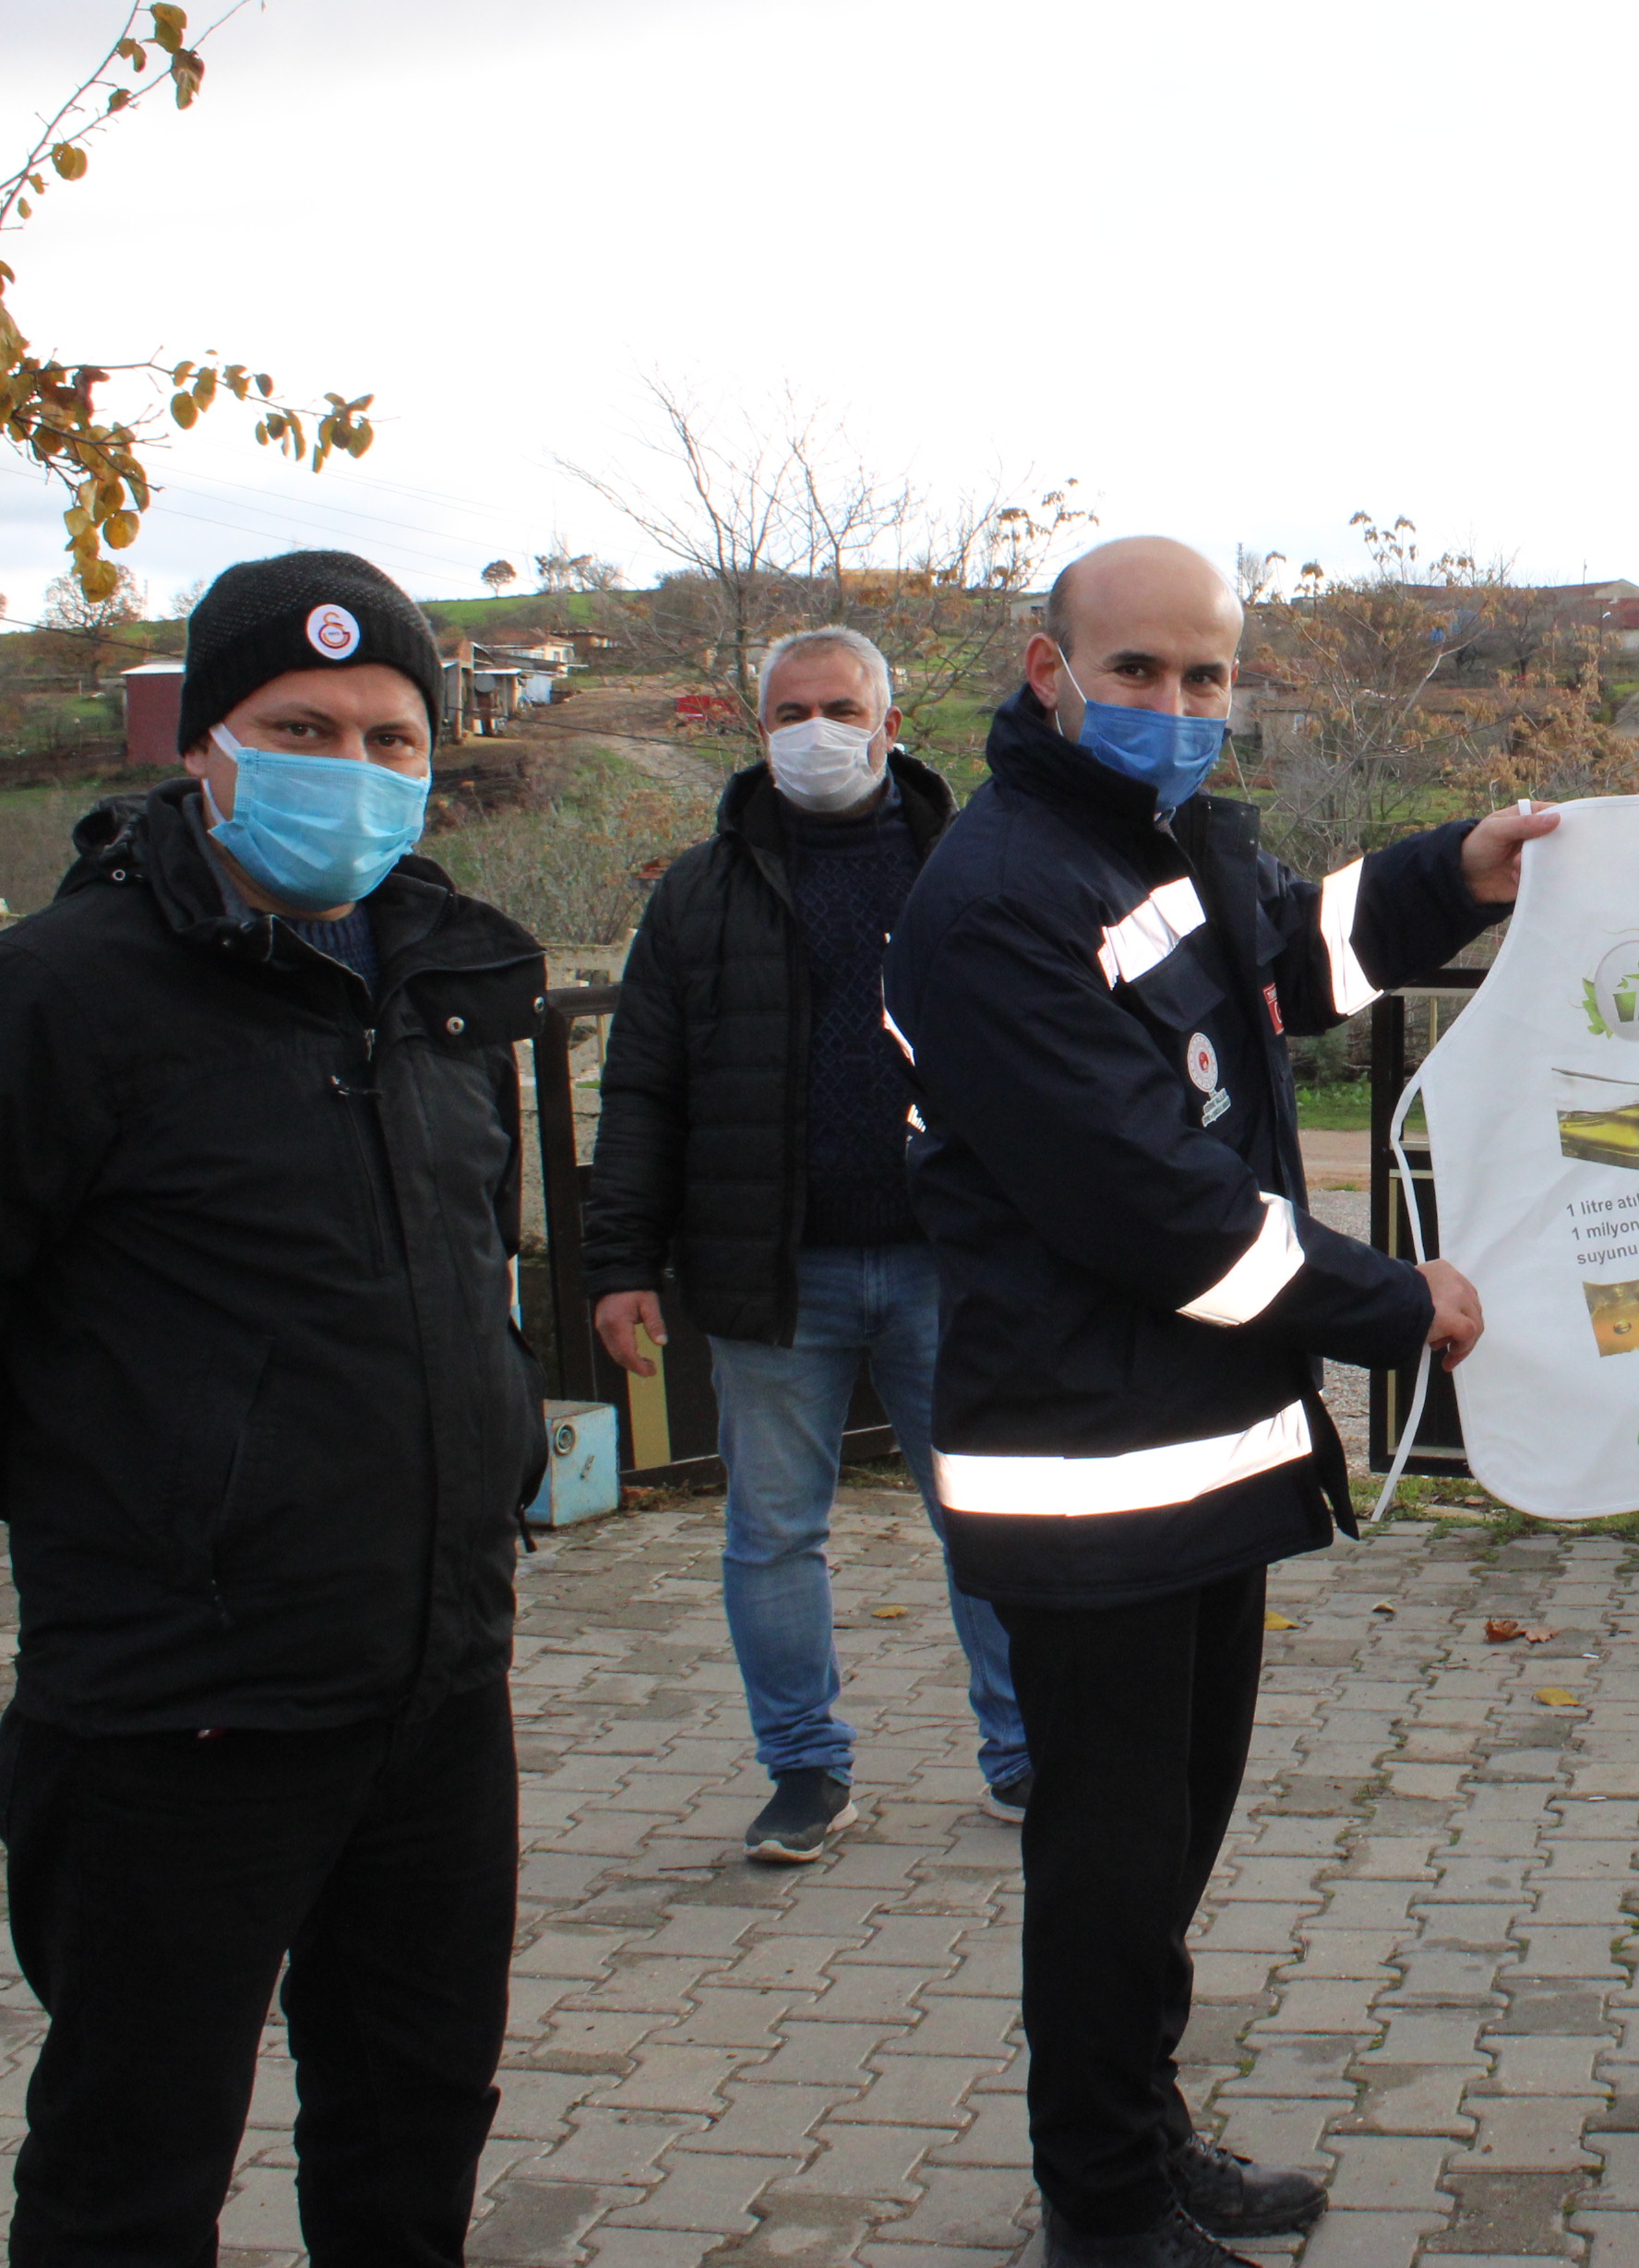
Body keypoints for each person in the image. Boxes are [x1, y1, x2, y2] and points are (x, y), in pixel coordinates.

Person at [0, 552, 546, 2268]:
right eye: (299, 726)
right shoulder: (56, 1002)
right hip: (174, 1718)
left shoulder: (438, 1001)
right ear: (204, 746)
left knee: (416, 2126)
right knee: (133, 2169)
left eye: (389, 737)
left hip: (434, 1690)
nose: (348, 769)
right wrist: (134, 1498)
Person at [884, 535, 1551, 2268]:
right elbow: (1146, 1204)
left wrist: (1451, 874)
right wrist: (1393, 1303)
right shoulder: (997, 895)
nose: (1178, 709)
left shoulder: (1158, 840)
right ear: (1050, 669)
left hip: (1206, 1452)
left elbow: (1290, 966)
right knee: (1107, 1867)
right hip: (1087, 1473)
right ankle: (1100, 2210)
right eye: (1137, 674)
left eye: (1206, 678)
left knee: (1167, 1846)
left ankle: (1141, 2131)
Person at [583, 624, 1028, 1862]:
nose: (816, 731)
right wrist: (618, 1262)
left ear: (890, 725)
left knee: (989, 1519)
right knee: (773, 1532)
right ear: (758, 728)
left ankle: (1028, 1754)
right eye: (790, 712)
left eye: (840, 707)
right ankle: (804, 1771)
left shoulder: (971, 866)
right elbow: (643, 1088)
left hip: (954, 1261)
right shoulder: (697, 890)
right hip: (774, 1275)